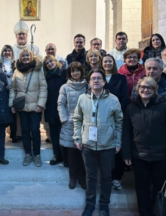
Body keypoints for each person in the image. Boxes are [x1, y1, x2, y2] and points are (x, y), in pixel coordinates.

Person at [122, 77, 166, 216]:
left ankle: (157, 212)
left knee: (159, 189)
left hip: (161, 156)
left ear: (155, 90)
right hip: (139, 156)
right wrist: (126, 154)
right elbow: (126, 132)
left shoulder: (165, 106)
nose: (145, 90)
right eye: (142, 87)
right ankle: (145, 213)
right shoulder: (131, 108)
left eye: (149, 88)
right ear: (138, 89)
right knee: (141, 188)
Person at [73, 70, 123, 216]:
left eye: (99, 78)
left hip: (107, 145)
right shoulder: (82, 98)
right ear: (89, 82)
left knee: (106, 177)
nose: (96, 81)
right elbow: (77, 119)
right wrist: (77, 138)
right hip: (87, 145)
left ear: (104, 81)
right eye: (93, 78)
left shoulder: (113, 99)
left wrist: (118, 141)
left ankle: (104, 205)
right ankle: (89, 205)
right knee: (91, 176)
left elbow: (119, 121)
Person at [9, 48, 47, 167]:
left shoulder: (37, 71)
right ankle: (28, 154)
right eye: (23, 56)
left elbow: (43, 88)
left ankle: (37, 155)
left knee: (35, 130)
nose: (25, 57)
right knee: (25, 131)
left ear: (31, 57)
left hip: (35, 107)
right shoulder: (17, 71)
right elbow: (13, 89)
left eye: (27, 55)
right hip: (22, 107)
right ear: (20, 58)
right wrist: (12, 104)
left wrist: (40, 104)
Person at [101, 54, 129, 190]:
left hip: (116, 117)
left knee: (117, 149)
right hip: (101, 118)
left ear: (113, 63)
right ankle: (105, 177)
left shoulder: (121, 78)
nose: (107, 63)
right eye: (105, 61)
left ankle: (117, 177)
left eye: (109, 61)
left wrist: (116, 114)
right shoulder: (97, 77)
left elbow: (124, 98)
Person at [58, 61, 87, 189]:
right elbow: (61, 104)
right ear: (69, 73)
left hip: (86, 124)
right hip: (70, 123)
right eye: (73, 71)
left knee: (84, 154)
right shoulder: (64, 87)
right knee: (72, 154)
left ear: (81, 72)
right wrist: (65, 119)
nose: (75, 73)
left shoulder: (87, 86)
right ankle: (73, 177)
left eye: (78, 70)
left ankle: (82, 178)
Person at [43, 55, 67, 165]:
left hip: (63, 109)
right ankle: (57, 156)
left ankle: (66, 158)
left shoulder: (64, 74)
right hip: (51, 109)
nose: (49, 64)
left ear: (55, 61)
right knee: (54, 135)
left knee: (64, 135)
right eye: (47, 63)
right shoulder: (46, 77)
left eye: (51, 61)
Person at [0, 45, 18, 143]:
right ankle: (2, 134)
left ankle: (14, 134)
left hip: (14, 90)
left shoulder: (16, 63)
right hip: (3, 90)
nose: (7, 52)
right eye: (5, 51)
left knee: (14, 112)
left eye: (9, 51)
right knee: (4, 111)